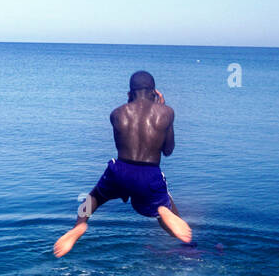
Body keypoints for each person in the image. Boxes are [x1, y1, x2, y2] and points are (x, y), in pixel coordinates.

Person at [53, 70, 192, 257]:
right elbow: (168, 150)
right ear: (154, 92)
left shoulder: (116, 114)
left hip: (119, 170)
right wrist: (163, 110)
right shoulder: (166, 113)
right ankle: (163, 210)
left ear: (129, 94)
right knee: (168, 214)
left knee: (92, 199)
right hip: (148, 173)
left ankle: (79, 226)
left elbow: (129, 136)